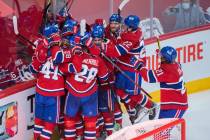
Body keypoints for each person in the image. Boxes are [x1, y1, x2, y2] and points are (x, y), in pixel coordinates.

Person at [60, 36, 109, 140]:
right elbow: (104, 77)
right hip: (90, 94)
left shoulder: (74, 56)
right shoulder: (98, 59)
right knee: (90, 121)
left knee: (69, 119)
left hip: (73, 93)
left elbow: (62, 70)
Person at [138, 46, 188, 118]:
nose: (160, 58)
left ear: (166, 59)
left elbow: (148, 77)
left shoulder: (167, 72)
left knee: (162, 129)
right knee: (159, 127)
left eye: (162, 57)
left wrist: (140, 67)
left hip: (176, 106)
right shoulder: (175, 64)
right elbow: (168, 64)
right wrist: (161, 53)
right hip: (169, 104)